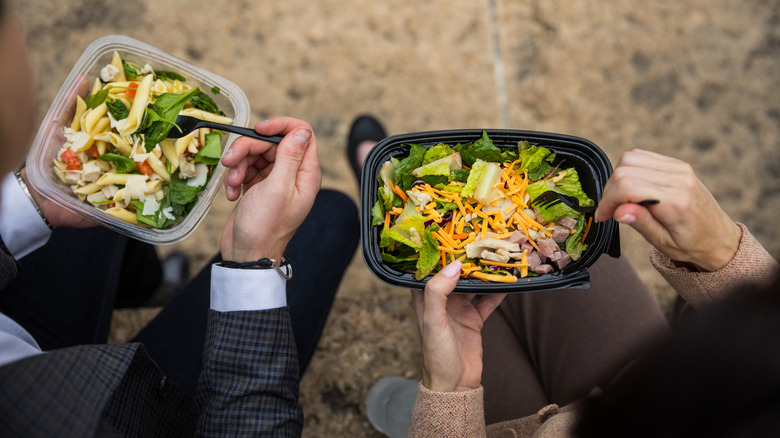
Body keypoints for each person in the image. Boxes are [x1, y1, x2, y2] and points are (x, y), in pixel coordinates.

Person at [0, 2, 358, 435]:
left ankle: (152, 287)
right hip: (111, 411)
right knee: (331, 216)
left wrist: (31, 202)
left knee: (103, 215)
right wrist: (255, 261)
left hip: (11, 316)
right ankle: (153, 285)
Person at [348, 115, 779, 437]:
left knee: (413, 392)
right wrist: (723, 257)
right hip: (630, 391)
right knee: (589, 263)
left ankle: (396, 409)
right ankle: (393, 184)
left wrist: (448, 393)